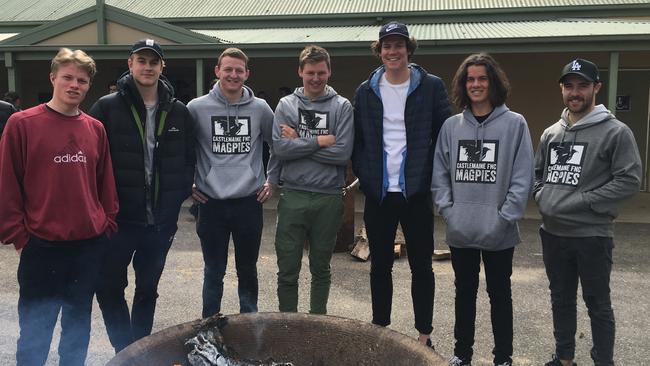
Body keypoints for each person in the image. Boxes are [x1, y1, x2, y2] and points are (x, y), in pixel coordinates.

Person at [0, 48, 118, 366]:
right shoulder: (22, 124)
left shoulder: (95, 129)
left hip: (87, 247)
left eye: (81, 80)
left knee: (77, 329)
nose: (74, 85)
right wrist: (18, 234)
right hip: (42, 246)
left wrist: (106, 223)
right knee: (35, 332)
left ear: (88, 86)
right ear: (53, 78)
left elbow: (105, 183)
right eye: (67, 77)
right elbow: (7, 182)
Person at [89, 39, 196, 352]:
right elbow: (93, 161)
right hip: (119, 219)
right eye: (141, 60)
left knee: (147, 289)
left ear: (162, 67)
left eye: (154, 62)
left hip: (160, 222)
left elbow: (188, 160)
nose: (147, 67)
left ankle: (140, 350)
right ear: (130, 63)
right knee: (109, 287)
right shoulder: (106, 107)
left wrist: (175, 201)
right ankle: (125, 350)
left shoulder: (178, 111)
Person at [535, 58, 642, 366]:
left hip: (591, 235)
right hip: (553, 233)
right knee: (561, 300)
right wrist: (542, 196)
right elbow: (538, 173)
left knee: (597, 304)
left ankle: (603, 361)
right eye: (569, 86)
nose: (575, 92)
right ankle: (565, 357)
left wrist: (584, 201)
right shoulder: (551, 134)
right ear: (562, 89)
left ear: (596, 87)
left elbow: (629, 180)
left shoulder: (616, 132)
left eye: (582, 85)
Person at [351, 21, 451, 347]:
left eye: (399, 45)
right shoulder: (366, 91)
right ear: (379, 51)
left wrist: (431, 177)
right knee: (380, 265)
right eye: (387, 46)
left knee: (422, 267)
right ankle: (380, 329)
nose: (393, 51)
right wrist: (366, 177)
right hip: (380, 193)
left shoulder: (431, 86)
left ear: (409, 49)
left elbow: (444, 134)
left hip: (416, 192)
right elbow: (359, 141)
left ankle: (424, 335)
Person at [432, 53, 534, 366]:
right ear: (464, 85)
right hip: (461, 230)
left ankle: (503, 357)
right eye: (470, 79)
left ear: (493, 83)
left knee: (500, 295)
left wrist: (506, 216)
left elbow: (522, 175)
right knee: (464, 294)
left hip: (499, 231)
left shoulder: (514, 124)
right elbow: (440, 173)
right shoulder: (451, 127)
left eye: (482, 79)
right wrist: (449, 212)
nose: (476, 84)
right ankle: (463, 354)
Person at [188, 47, 277, 317]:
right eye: (228, 69)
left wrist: (272, 179)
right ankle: (209, 326)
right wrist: (189, 182)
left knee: (247, 270)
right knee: (213, 271)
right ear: (217, 71)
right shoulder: (196, 108)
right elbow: (182, 149)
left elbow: (278, 146)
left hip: (249, 203)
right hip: (211, 203)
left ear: (247, 74)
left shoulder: (260, 109)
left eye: (239, 70)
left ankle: (249, 324)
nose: (233, 75)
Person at [272, 45, 353, 314]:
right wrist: (319, 140)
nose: (315, 78)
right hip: (293, 194)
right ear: (300, 72)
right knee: (287, 268)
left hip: (328, 197)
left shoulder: (342, 106)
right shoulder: (286, 105)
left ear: (329, 71)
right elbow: (281, 149)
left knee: (321, 267)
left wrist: (300, 143)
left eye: (321, 72)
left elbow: (342, 154)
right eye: (310, 73)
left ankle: (317, 322)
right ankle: (288, 325)